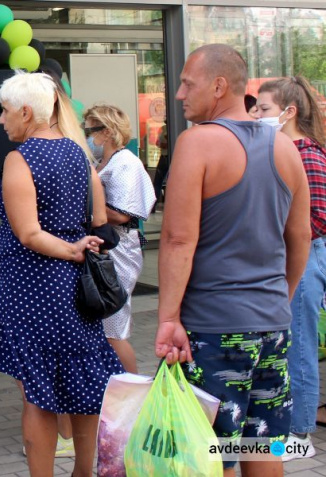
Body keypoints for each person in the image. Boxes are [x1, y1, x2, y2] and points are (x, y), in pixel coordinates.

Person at [154, 44, 311, 477]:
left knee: (210, 454)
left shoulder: (197, 142)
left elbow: (177, 238)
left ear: (219, 86)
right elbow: (299, 236)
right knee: (263, 448)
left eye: (188, 83)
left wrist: (168, 318)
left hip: (215, 327)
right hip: (272, 326)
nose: (181, 93)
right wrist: (282, 296)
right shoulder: (284, 147)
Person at [0, 70, 123, 477]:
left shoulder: (20, 159)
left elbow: (29, 234)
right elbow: (98, 218)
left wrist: (70, 249)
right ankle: (85, 472)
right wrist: (80, 247)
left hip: (35, 288)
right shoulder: (76, 152)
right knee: (84, 385)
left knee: (39, 397)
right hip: (75, 290)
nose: (1, 119)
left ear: (27, 112)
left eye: (5, 111)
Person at [258, 76, 326, 460]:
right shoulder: (287, 149)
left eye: (265, 109)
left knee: (299, 348)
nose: (257, 116)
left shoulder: (305, 153)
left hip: (302, 258)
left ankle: (300, 435)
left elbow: (314, 220)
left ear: (289, 112)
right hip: (290, 257)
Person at [83, 104, 156, 373]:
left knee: (114, 325)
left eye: (90, 130)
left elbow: (123, 214)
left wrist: (86, 212)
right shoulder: (102, 162)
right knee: (106, 324)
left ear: (108, 131)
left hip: (120, 249)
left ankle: (132, 394)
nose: (87, 135)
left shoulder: (126, 163)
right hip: (104, 249)